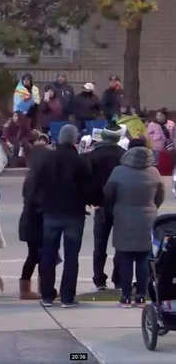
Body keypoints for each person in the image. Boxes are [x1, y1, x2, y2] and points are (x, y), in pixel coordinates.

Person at [36, 124, 91, 308]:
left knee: (48, 254)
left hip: (51, 212)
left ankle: (47, 295)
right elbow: (88, 188)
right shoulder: (80, 161)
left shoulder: (47, 159)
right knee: (71, 256)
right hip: (74, 213)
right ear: (74, 139)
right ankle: (67, 296)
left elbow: (37, 185)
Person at [104, 144, 164, 307]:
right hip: (147, 219)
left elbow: (108, 194)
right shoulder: (154, 173)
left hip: (123, 216)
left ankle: (125, 296)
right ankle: (141, 296)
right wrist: (151, 208)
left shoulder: (118, 172)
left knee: (125, 258)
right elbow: (160, 196)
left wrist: (113, 209)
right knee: (144, 258)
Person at [85, 126, 126, 291]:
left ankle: (99, 279)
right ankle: (118, 278)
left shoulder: (92, 155)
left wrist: (90, 199)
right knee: (121, 244)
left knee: (100, 244)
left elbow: (87, 179)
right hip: (121, 204)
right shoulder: (124, 155)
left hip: (100, 204)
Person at [18, 134, 52, 300]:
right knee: (36, 255)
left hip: (31, 221)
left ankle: (37, 286)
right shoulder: (38, 177)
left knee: (36, 255)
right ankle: (30, 288)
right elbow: (35, 200)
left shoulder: (31, 175)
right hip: (36, 221)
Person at [147, 108, 176, 175]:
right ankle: (157, 175)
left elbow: (174, 135)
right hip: (157, 148)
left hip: (170, 146)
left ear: (165, 116)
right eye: (157, 115)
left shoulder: (171, 123)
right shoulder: (152, 124)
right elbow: (149, 135)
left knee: (171, 161)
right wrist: (157, 136)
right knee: (156, 163)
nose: (158, 117)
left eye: (160, 115)